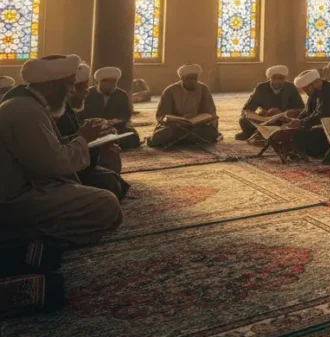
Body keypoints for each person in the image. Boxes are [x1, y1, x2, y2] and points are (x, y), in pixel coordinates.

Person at [0, 54, 123, 246]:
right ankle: (21, 239)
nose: (72, 91)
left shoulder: (29, 105)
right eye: (70, 84)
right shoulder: (26, 111)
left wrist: (81, 137)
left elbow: (48, 147)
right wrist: (84, 139)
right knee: (106, 203)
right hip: (15, 196)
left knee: (107, 186)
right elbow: (54, 164)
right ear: (51, 85)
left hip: (30, 182)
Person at [286, 68, 330, 159]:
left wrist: (301, 123)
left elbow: (321, 115)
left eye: (307, 89)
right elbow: (307, 111)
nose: (306, 92)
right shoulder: (314, 93)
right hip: (325, 124)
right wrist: (297, 120)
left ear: (316, 82)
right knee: (296, 131)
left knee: (306, 134)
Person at [149, 65, 220, 148]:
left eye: (195, 79)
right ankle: (188, 138)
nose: (193, 81)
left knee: (211, 134)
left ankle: (183, 139)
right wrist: (178, 121)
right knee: (159, 137)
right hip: (176, 127)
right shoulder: (170, 91)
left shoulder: (203, 89)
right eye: (189, 79)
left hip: (198, 127)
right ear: (182, 79)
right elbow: (162, 115)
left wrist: (200, 120)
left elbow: (210, 112)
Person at [81, 67, 142, 150]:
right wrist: (99, 122)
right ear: (99, 82)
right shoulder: (88, 94)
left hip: (115, 127)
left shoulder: (121, 94)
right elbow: (82, 114)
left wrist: (115, 121)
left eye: (113, 83)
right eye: (107, 83)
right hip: (94, 127)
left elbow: (126, 114)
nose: (110, 85)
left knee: (132, 137)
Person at [236, 65, 304, 140]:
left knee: (296, 123)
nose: (277, 81)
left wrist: (283, 113)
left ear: (285, 78)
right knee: (243, 120)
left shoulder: (291, 87)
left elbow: (301, 109)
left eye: (281, 78)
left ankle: (259, 134)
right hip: (265, 119)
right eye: (274, 78)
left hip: (283, 119)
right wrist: (263, 113)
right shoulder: (261, 88)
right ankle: (259, 133)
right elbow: (247, 109)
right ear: (269, 78)